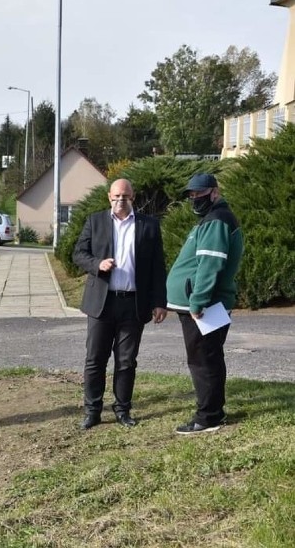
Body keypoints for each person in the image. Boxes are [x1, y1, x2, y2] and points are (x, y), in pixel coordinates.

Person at [73, 178, 168, 430]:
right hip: (102, 304)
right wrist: (97, 265)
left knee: (126, 361)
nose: (120, 201)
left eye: (124, 196)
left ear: (132, 198)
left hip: (133, 304)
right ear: (109, 197)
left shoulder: (148, 226)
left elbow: (158, 266)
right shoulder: (95, 222)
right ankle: (92, 411)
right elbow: (78, 254)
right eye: (115, 197)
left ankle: (122, 410)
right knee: (95, 359)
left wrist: (160, 301)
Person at [166, 173, 244, 435]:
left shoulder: (216, 221)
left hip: (204, 306)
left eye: (199, 194)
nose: (195, 198)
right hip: (201, 305)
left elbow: (210, 264)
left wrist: (197, 301)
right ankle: (214, 411)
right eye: (191, 194)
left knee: (203, 360)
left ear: (214, 192)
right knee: (208, 358)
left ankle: (208, 417)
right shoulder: (211, 220)